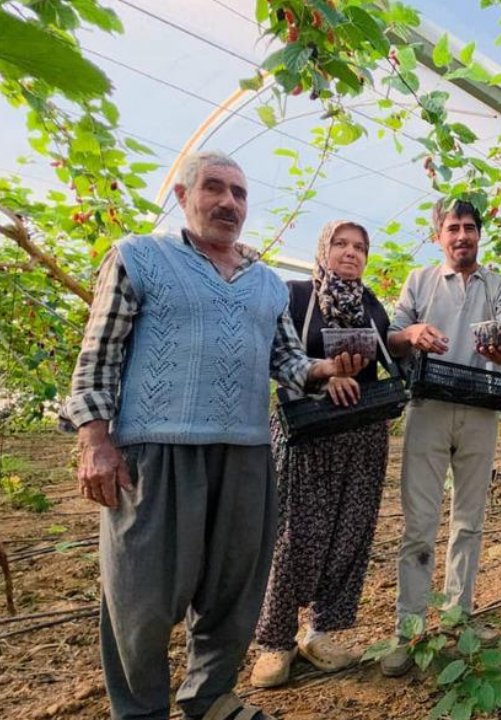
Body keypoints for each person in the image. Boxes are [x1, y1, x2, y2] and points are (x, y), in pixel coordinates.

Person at [60, 151, 364, 720]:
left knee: (233, 588)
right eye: (215, 189)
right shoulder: (139, 258)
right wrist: (95, 441)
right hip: (156, 449)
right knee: (141, 597)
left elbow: (289, 362)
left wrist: (325, 370)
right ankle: (141, 709)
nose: (228, 202)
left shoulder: (266, 284)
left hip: (246, 450)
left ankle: (209, 695)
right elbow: (98, 357)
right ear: (183, 196)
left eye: (240, 194)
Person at [378, 200, 501, 677]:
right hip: (429, 408)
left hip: (481, 407)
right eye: (453, 228)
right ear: (439, 235)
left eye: (470, 228)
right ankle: (410, 630)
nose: (462, 236)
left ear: (480, 234)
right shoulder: (419, 281)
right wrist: (413, 332)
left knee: (469, 521)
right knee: (419, 522)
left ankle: (459, 621)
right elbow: (393, 336)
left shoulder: (498, 283)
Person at [250, 220, 393, 688]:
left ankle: (322, 631)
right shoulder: (294, 297)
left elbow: (385, 362)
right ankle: (275, 641)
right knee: (293, 534)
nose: (351, 253)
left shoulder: (372, 306)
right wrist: (323, 375)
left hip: (362, 434)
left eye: (360, 246)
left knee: (349, 534)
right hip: (307, 434)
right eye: (341, 243)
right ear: (322, 247)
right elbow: (277, 359)